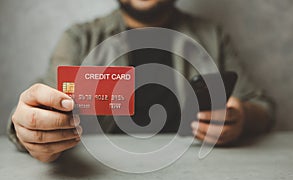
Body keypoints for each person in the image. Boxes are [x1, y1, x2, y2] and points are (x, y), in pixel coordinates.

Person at [7, 0, 274, 163]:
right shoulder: (80, 39)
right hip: (102, 178)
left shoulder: (212, 35)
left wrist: (241, 116)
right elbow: (39, 110)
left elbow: (262, 105)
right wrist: (30, 130)